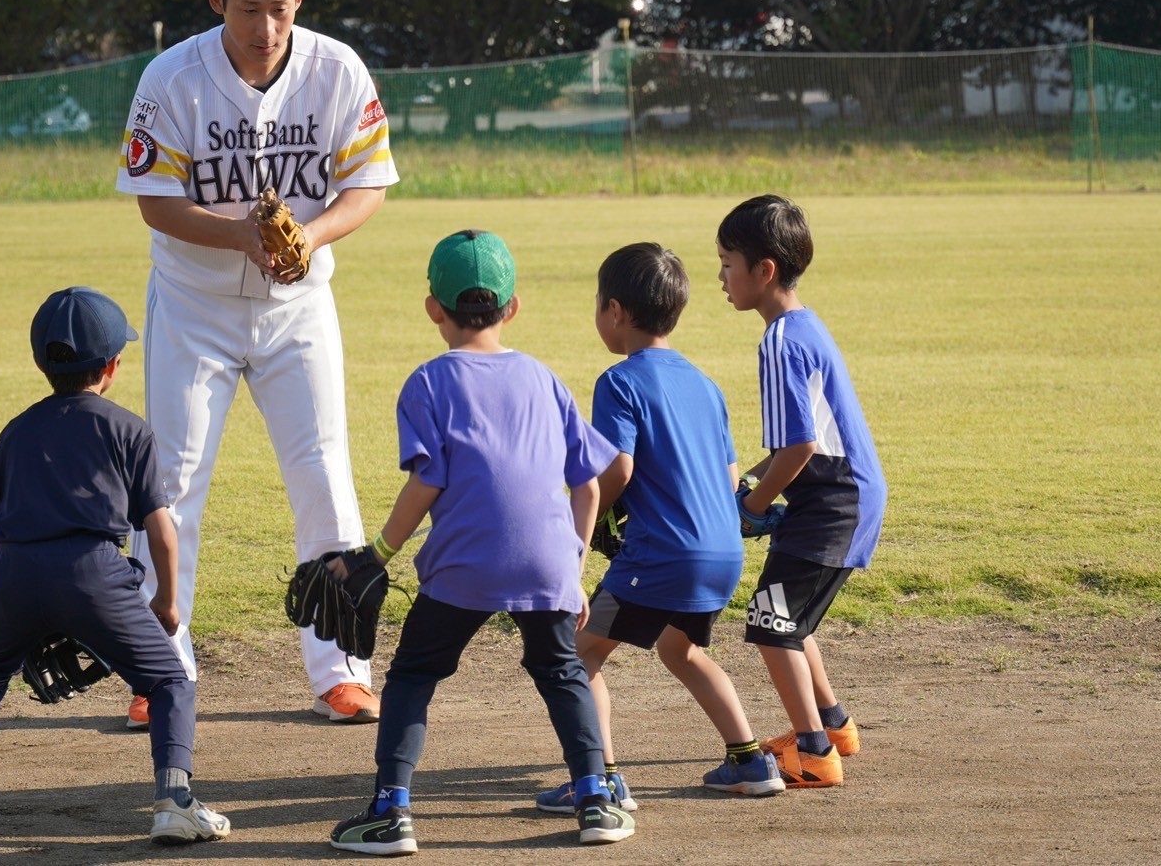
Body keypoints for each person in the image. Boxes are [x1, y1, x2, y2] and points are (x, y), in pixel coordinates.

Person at [115, 0, 398, 727]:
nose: (267, 27)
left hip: (298, 307)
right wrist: (240, 232)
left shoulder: (336, 68)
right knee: (171, 482)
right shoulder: (172, 77)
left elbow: (368, 183)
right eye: (248, 9)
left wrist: (311, 234)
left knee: (324, 472)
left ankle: (340, 668)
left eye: (280, 7)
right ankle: (157, 665)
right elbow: (155, 203)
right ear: (216, 1)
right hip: (194, 305)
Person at [328, 230, 635, 855]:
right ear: (513, 306)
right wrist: (572, 567)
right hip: (547, 560)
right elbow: (590, 485)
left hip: (465, 564)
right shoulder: (545, 379)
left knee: (414, 673)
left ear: (433, 308)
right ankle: (596, 799)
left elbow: (429, 480)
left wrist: (378, 553)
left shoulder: (428, 382)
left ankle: (391, 812)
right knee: (562, 673)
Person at [0, 287, 229, 844]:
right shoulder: (128, 429)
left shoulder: (12, 433)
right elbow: (161, 528)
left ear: (41, 362)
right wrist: (166, 602)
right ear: (111, 367)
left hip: (13, 573)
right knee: (169, 681)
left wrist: (20, 607)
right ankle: (175, 800)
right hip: (92, 572)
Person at [534, 242, 786, 814]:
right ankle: (750, 761)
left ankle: (600, 779)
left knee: (577, 656)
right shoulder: (706, 385)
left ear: (616, 312)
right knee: (683, 650)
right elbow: (725, 478)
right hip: (721, 552)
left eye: (599, 304)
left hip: (662, 556)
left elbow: (618, 469)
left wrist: (590, 517)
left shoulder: (619, 381)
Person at [715, 195, 888, 789]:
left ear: (764, 271)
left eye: (727, 263)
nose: (721, 278)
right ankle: (833, 725)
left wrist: (752, 506)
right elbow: (799, 442)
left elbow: (800, 450)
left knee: (770, 622)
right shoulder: (804, 325)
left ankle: (814, 753)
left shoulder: (780, 341)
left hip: (833, 501)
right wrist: (754, 482)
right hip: (845, 495)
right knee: (789, 618)